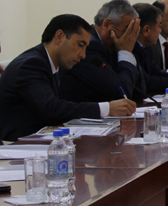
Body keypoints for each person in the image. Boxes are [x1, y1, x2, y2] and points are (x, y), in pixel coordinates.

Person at [0, 14, 136, 141]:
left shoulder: (49, 63)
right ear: (59, 37)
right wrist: (107, 108)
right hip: (17, 147)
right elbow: (52, 109)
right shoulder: (31, 64)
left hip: (40, 142)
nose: (83, 55)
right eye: (80, 45)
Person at [58, 0, 144, 103]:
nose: (130, 37)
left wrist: (128, 51)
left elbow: (139, 90)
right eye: (127, 30)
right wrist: (126, 52)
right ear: (107, 24)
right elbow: (122, 93)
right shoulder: (88, 47)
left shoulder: (114, 46)